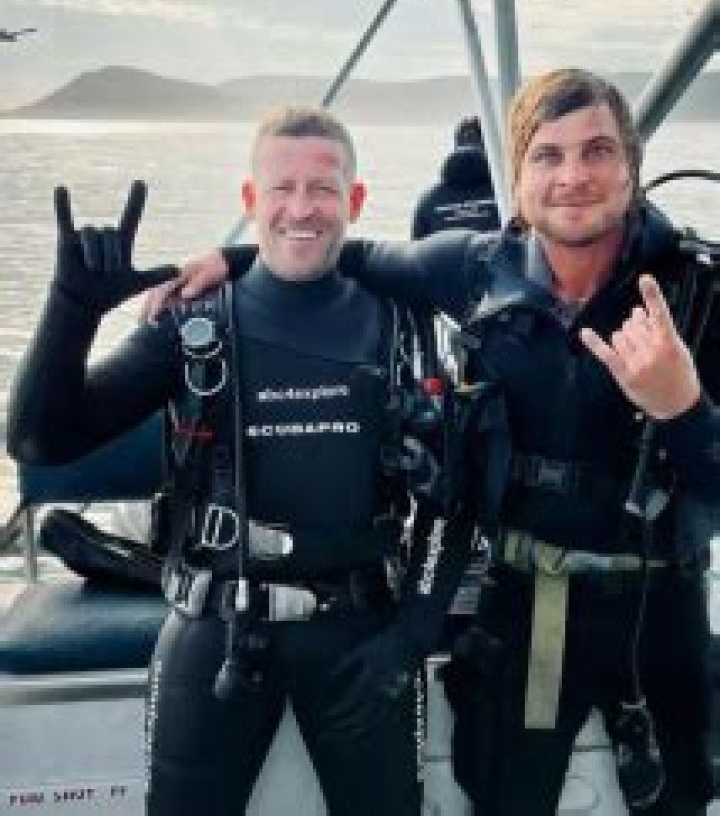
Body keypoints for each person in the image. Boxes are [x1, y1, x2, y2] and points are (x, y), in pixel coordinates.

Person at [154, 69, 719, 815]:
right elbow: (342, 253)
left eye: (598, 151)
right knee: (507, 801)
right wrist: (230, 261)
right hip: (527, 606)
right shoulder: (473, 268)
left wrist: (684, 410)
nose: (573, 176)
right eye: (548, 155)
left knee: (680, 802)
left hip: (661, 607)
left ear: (632, 166)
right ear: (517, 177)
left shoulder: (699, 293)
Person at [6, 107, 476, 816]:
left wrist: (412, 635)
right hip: (213, 628)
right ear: (252, 199)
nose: (301, 207)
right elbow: (42, 441)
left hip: (361, 636)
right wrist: (71, 309)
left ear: (354, 201)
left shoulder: (400, 323)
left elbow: (451, 495)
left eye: (323, 189)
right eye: (282, 187)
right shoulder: (195, 321)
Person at [411, 115, 499, 240]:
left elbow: (416, 249)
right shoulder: (507, 196)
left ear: (456, 146)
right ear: (491, 146)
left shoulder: (427, 202)